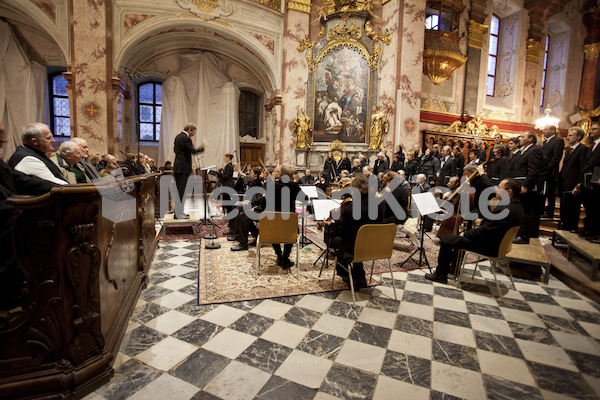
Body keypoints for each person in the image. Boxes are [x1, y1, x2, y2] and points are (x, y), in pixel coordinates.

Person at [0, 122, 58, 309]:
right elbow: (57, 186)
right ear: (34, 141)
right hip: (14, 219)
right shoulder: (26, 158)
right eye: (49, 137)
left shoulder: (35, 155)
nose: (5, 139)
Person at [425, 178, 525, 283]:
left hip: (490, 246)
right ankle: (453, 268)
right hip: (498, 244)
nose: (495, 188)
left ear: (509, 192)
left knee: (446, 240)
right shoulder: (518, 207)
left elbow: (485, 231)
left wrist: (466, 234)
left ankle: (441, 275)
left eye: (499, 187)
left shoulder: (504, 209)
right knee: (455, 238)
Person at [327, 174, 384, 289]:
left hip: (356, 248)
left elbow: (344, 233)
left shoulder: (351, 209)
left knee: (334, 238)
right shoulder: (380, 205)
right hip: (375, 247)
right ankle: (359, 274)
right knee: (355, 239)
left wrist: (332, 225)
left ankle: (347, 273)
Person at [511, 131, 544, 244]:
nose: (520, 138)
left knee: (527, 212)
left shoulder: (534, 150)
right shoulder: (524, 151)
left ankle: (525, 236)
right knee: (522, 211)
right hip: (519, 184)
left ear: (530, 139)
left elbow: (533, 170)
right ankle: (520, 233)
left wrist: (525, 185)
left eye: (523, 137)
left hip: (527, 187)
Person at [573, 121, 600, 241]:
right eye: (591, 129)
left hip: (596, 180)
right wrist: (579, 182)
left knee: (596, 207)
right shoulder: (591, 147)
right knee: (588, 206)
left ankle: (596, 232)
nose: (591, 131)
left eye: (594, 129)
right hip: (586, 181)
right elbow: (585, 165)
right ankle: (589, 228)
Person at [173, 123, 205, 219]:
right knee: (182, 191)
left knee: (179, 191)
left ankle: (178, 212)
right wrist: (202, 147)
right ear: (190, 130)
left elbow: (176, 150)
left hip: (178, 166)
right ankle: (178, 213)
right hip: (183, 167)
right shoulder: (186, 138)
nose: (194, 134)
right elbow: (193, 152)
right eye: (194, 132)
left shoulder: (178, 137)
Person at [557, 127, 587, 232]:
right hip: (564, 183)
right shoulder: (569, 149)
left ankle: (570, 230)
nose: (567, 137)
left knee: (572, 210)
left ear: (578, 137)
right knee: (564, 209)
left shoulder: (582, 149)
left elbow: (582, 168)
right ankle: (564, 230)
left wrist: (578, 184)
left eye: (571, 135)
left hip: (573, 184)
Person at [540, 125, 564, 219]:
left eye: (546, 129)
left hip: (550, 172)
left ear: (553, 131)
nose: (543, 131)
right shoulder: (545, 142)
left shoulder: (558, 141)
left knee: (550, 193)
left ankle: (549, 212)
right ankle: (542, 210)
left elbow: (555, 157)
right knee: (543, 192)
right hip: (543, 171)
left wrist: (547, 169)